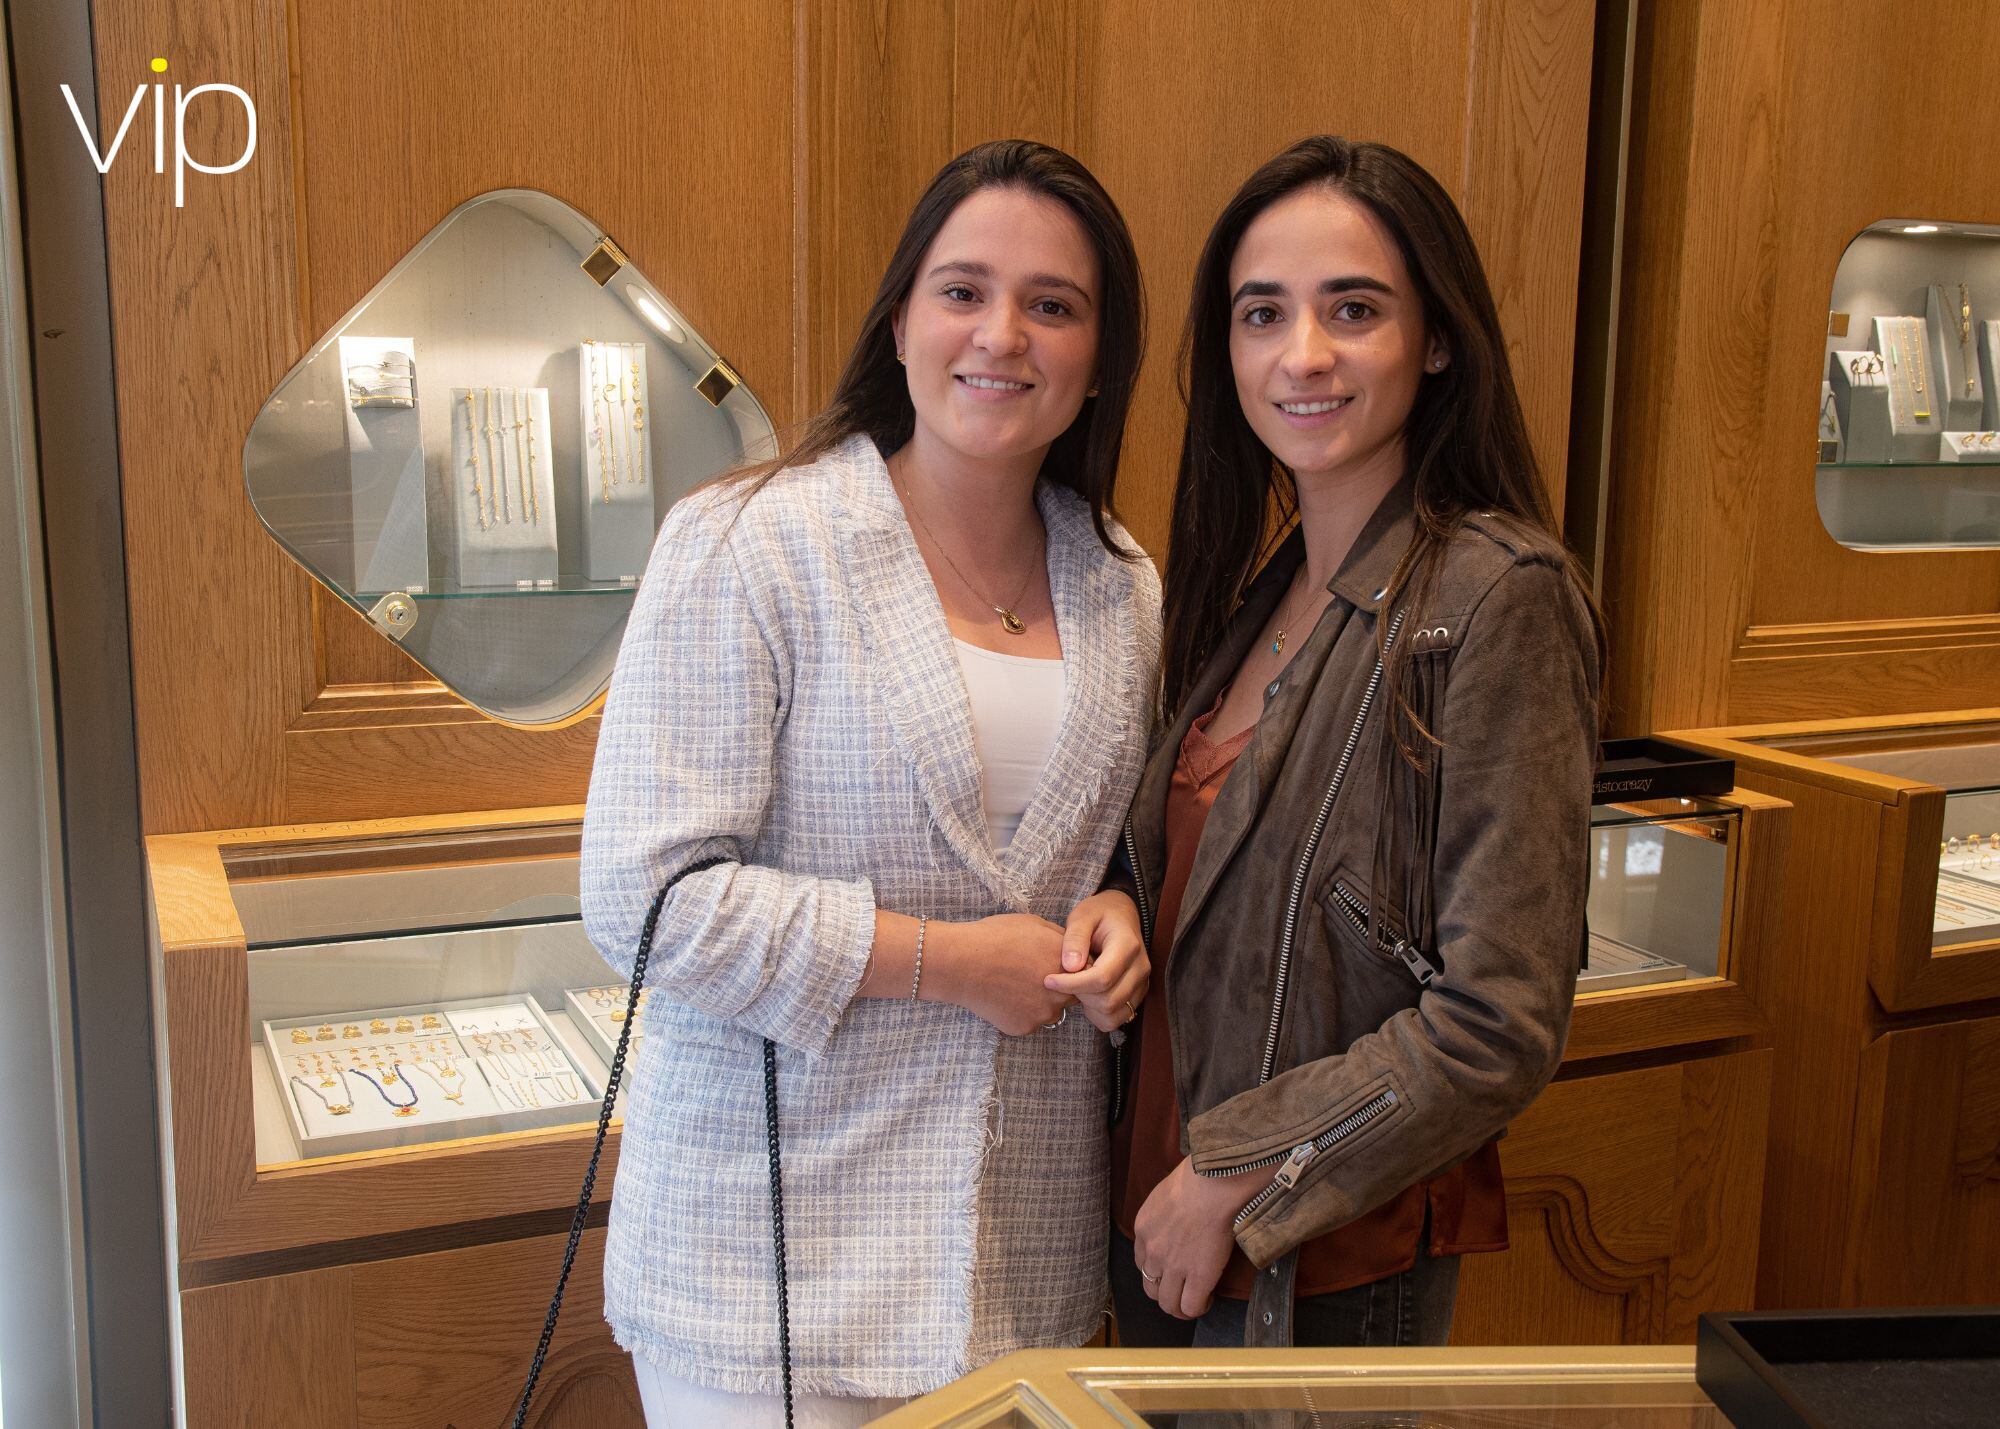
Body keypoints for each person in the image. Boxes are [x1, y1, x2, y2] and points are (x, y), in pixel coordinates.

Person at [579, 139, 1159, 1426]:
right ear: (899, 319)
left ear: (1098, 357)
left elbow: (1102, 847)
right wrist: (949, 962)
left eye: (1051, 305)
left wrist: (1118, 910)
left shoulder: (1124, 586)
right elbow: (648, 899)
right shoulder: (748, 542)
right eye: (961, 290)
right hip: (766, 1264)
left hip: (1020, 1261)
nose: (999, 333)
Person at [1078, 135, 1604, 1350]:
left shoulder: (1494, 596)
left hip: (1312, 1266)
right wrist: (1117, 900)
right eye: (1262, 313)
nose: (1299, 354)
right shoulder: (1255, 592)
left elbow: (1496, 1022)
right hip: (1159, 1231)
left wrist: (1236, 1175)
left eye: (1351, 309)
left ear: (1434, 338)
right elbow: (1217, 870)